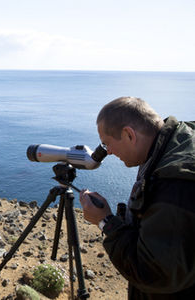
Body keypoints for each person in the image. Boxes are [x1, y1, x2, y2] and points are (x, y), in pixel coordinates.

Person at [79, 96, 195, 299]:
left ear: (129, 135)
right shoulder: (177, 139)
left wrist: (105, 221)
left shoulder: (174, 184)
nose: (109, 152)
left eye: (108, 144)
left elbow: (154, 273)